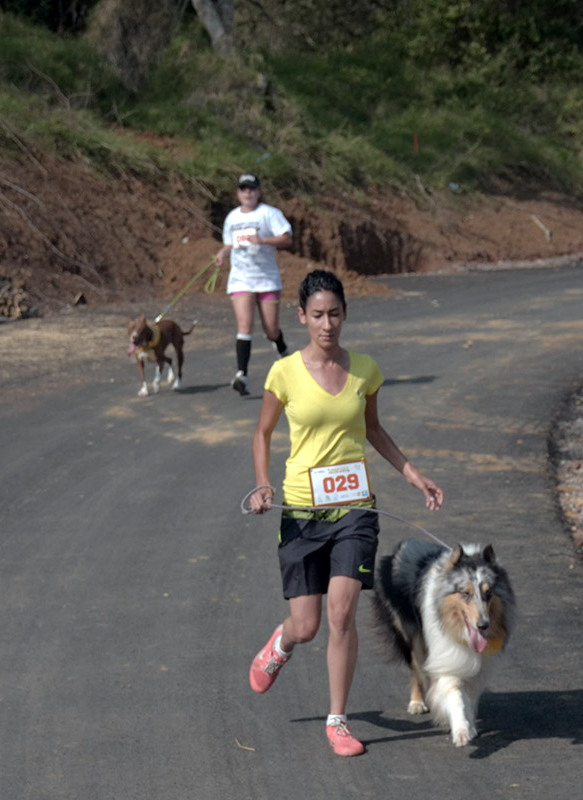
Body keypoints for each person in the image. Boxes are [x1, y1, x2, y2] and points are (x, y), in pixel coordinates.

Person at [247, 270, 444, 757]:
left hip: (354, 509)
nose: (327, 324)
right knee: (308, 624)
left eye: (335, 314)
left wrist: (412, 473)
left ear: (345, 315)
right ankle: (282, 641)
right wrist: (263, 484)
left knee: (341, 613)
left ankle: (338, 720)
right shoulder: (284, 373)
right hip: (300, 511)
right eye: (317, 315)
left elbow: (373, 430)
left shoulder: (365, 371)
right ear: (301, 317)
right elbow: (262, 433)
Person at [219, 174, 294, 396]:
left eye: (251, 189)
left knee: (271, 329)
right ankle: (242, 375)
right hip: (241, 278)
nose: (248, 193)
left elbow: (287, 238)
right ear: (238, 193)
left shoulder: (269, 214)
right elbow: (228, 244)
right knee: (245, 325)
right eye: (243, 189)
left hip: (267, 278)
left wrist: (262, 240)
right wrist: (222, 253)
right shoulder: (232, 218)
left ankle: (286, 357)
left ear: (258, 192)